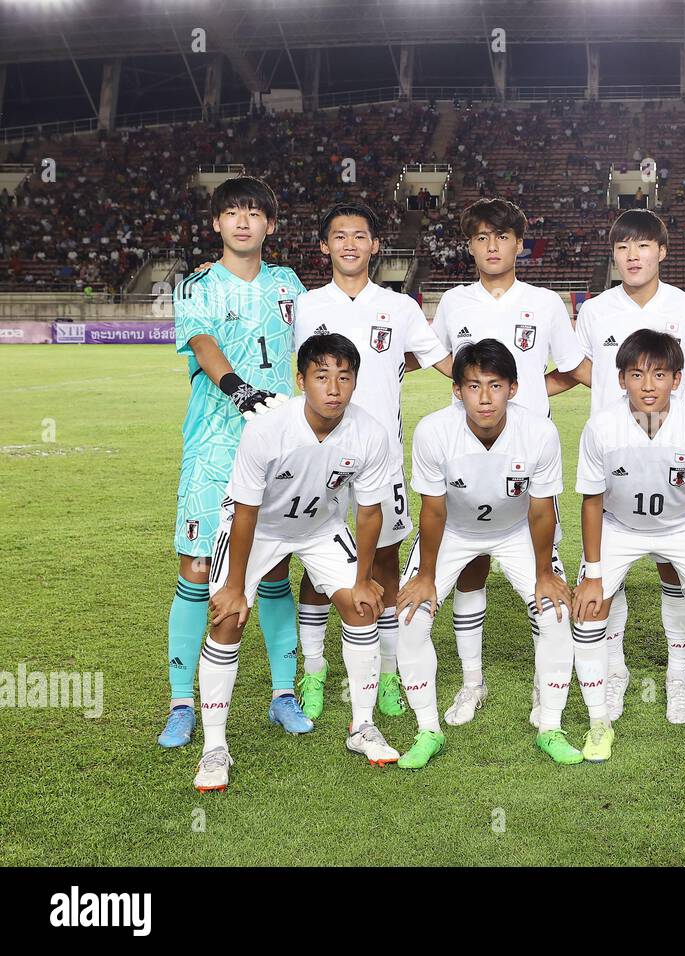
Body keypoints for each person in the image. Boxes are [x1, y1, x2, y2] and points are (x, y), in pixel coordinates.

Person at [194, 334, 396, 791]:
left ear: (355, 382)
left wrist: (363, 580)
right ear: (301, 380)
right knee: (228, 618)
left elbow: (369, 512)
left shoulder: (369, 433)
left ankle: (361, 727)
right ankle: (214, 747)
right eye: (322, 376)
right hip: (259, 528)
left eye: (345, 377)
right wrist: (234, 586)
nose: (334, 388)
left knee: (363, 608)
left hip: (321, 529)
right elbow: (245, 511)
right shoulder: (267, 429)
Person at [559, 208, 685, 724]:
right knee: (604, 582)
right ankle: (615, 672)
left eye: (642, 246)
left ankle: (678, 678)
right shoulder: (594, 311)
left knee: (673, 571)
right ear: (613, 256)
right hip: (617, 458)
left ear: (662, 251)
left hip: (676, 465)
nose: (632, 256)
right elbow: (575, 369)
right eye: (622, 248)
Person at [160, 176, 309, 750]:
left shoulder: (289, 284)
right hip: (213, 446)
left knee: (271, 572)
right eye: (232, 212)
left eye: (254, 212)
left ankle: (282, 694)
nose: (243, 221)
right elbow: (202, 344)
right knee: (197, 570)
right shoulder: (198, 284)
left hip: (277, 447)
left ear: (270, 225)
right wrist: (237, 388)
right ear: (217, 224)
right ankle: (181, 704)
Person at [429, 198, 590, 727]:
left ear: (520, 243)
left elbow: (571, 367)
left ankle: (549, 699)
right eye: (481, 237)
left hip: (527, 454)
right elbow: (436, 357)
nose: (492, 245)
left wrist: (525, 398)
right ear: (470, 245)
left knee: (544, 574)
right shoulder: (453, 302)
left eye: (502, 236)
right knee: (471, 564)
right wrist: (476, 393)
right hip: (471, 453)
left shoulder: (544, 302)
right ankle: (472, 684)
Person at [292, 201, 454, 723]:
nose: (349, 244)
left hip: (381, 458)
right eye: (338, 236)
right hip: (320, 457)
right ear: (325, 246)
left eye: (360, 235)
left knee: (384, 563)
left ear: (376, 245)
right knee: (319, 569)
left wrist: (493, 388)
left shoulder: (400, 307)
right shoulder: (305, 304)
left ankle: (387, 673)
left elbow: (436, 359)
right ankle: (313, 672)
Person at [394, 339, 583, 767]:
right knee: (410, 618)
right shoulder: (433, 431)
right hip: (453, 531)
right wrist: (425, 576)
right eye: (474, 386)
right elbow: (434, 510)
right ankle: (428, 729)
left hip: (516, 530)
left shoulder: (539, 432)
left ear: (513, 389)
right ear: (457, 390)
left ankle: (550, 726)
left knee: (555, 613)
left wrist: (543, 573)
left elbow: (540, 511)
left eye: (495, 385)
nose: (484, 397)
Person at [571, 330, 685, 764]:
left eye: (660, 374)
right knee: (588, 611)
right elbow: (591, 502)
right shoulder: (602, 427)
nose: (648, 386)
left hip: (681, 525)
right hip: (619, 525)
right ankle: (599, 721)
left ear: (678, 378)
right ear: (621, 379)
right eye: (637, 374)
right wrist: (592, 576)